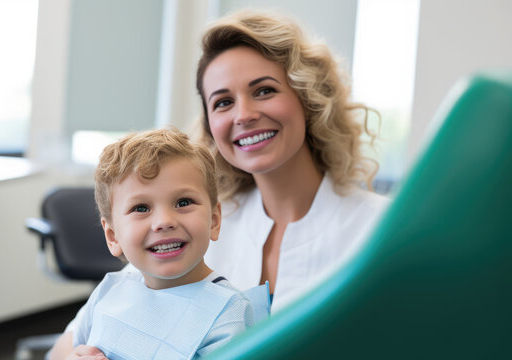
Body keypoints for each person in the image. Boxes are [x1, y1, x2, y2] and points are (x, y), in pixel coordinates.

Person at [194, 10, 391, 312]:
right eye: (223, 102)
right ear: (210, 126)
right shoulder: (202, 227)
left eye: (264, 90)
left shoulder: (380, 228)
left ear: (307, 98)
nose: (244, 115)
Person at [49, 128, 257, 360]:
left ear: (214, 221)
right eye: (141, 208)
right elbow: (66, 350)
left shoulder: (228, 313)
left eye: (183, 202)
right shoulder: (111, 291)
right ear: (113, 236)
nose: (164, 222)